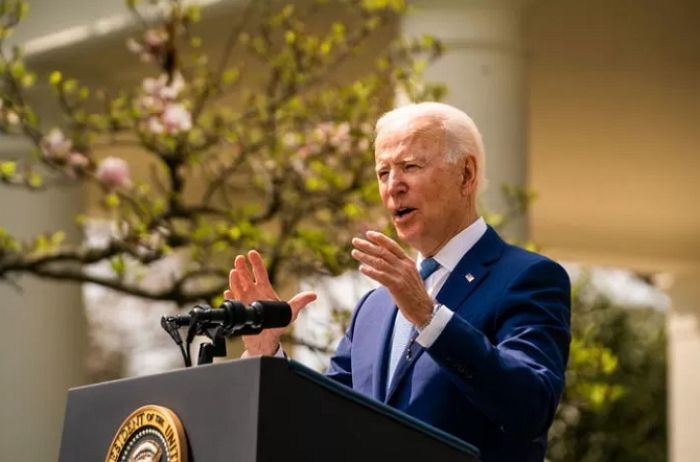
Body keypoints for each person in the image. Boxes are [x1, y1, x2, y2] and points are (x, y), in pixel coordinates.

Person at [225, 102, 571, 462]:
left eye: (410, 167)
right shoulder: (373, 309)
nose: (393, 186)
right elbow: (324, 422)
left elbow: (530, 406)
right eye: (383, 172)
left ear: (466, 175)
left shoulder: (527, 278)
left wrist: (428, 315)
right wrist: (269, 354)